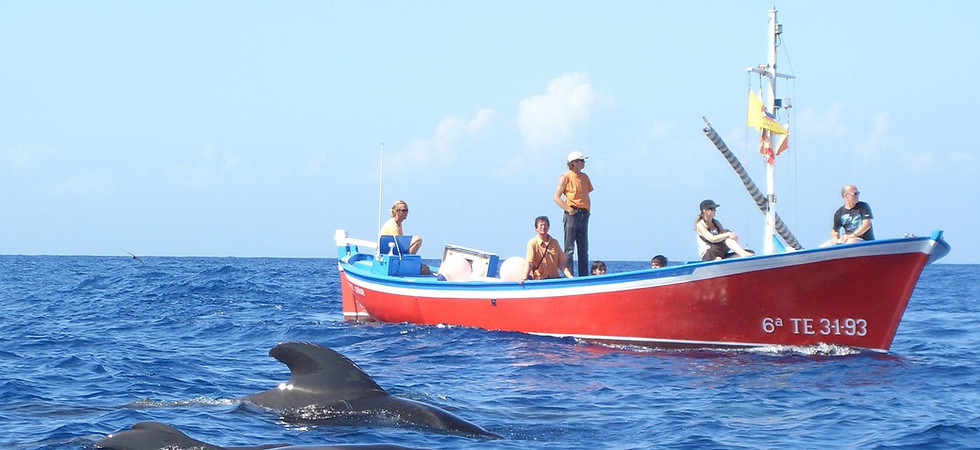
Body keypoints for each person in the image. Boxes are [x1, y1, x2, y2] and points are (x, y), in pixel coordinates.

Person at [553, 150, 594, 277]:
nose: (584, 163)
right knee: (569, 249)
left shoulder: (585, 177)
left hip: (584, 214)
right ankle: (569, 276)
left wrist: (587, 210)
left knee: (583, 249)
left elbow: (586, 194)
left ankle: (583, 276)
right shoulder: (565, 177)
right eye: (581, 160)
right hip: (572, 213)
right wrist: (569, 209)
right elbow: (557, 197)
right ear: (574, 163)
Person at [526, 216, 573, 280]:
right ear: (536, 228)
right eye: (541, 225)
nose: (543, 227)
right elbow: (530, 263)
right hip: (540, 279)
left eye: (545, 225)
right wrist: (525, 277)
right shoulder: (532, 243)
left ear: (548, 227)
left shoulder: (555, 243)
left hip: (555, 278)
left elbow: (561, 264)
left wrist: (570, 277)